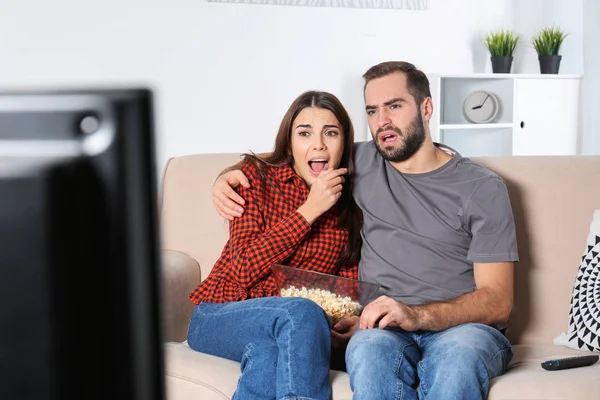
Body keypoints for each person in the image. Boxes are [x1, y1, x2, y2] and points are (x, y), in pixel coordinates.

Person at [212, 61, 519, 400]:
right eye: (372, 111)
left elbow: (498, 301)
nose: (382, 121)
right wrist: (229, 175)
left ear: (426, 108)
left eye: (395, 106)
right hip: (381, 328)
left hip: (462, 330)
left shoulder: (482, 187)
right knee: (369, 356)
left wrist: (417, 315)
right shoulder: (360, 162)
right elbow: (294, 156)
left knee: (457, 365)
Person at [187, 90, 363, 400]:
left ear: (343, 143)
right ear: (290, 143)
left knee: (269, 357)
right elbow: (242, 270)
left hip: (286, 331)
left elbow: (345, 279)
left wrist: (349, 319)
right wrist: (309, 210)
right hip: (220, 314)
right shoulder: (256, 179)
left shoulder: (350, 205)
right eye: (304, 132)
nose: (318, 143)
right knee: (302, 312)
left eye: (331, 133)